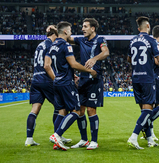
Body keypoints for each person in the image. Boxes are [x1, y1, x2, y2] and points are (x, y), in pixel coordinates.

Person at [45, 21, 97, 151]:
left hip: (57, 82)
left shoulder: (53, 45)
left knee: (62, 111)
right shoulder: (66, 45)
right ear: (66, 32)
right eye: (71, 31)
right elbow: (73, 64)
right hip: (66, 83)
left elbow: (53, 64)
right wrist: (89, 71)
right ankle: (57, 135)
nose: (72, 33)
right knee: (77, 111)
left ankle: (57, 140)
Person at [67, 18, 109, 150]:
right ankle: (84, 139)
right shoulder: (81, 40)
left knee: (91, 110)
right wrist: (56, 29)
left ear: (93, 28)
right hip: (83, 79)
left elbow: (106, 52)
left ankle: (94, 141)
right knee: (80, 111)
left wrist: (94, 58)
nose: (82, 29)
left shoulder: (100, 40)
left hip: (94, 79)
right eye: (82, 26)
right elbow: (67, 38)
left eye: (85, 26)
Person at [127, 16, 159, 149]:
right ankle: (134, 136)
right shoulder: (151, 41)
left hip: (135, 78)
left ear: (138, 28)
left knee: (144, 111)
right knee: (148, 111)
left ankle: (149, 139)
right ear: (148, 26)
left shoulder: (132, 41)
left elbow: (129, 59)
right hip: (147, 79)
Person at [25, 25, 65, 147]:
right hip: (46, 78)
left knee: (35, 109)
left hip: (35, 78)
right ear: (55, 35)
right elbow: (47, 65)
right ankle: (57, 136)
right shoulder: (51, 45)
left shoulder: (40, 45)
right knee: (61, 107)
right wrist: (56, 79)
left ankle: (29, 139)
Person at [141, 25, 159, 142]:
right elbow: (158, 62)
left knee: (149, 108)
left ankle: (150, 133)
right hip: (155, 78)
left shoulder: (147, 43)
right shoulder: (156, 44)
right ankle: (145, 123)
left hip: (146, 77)